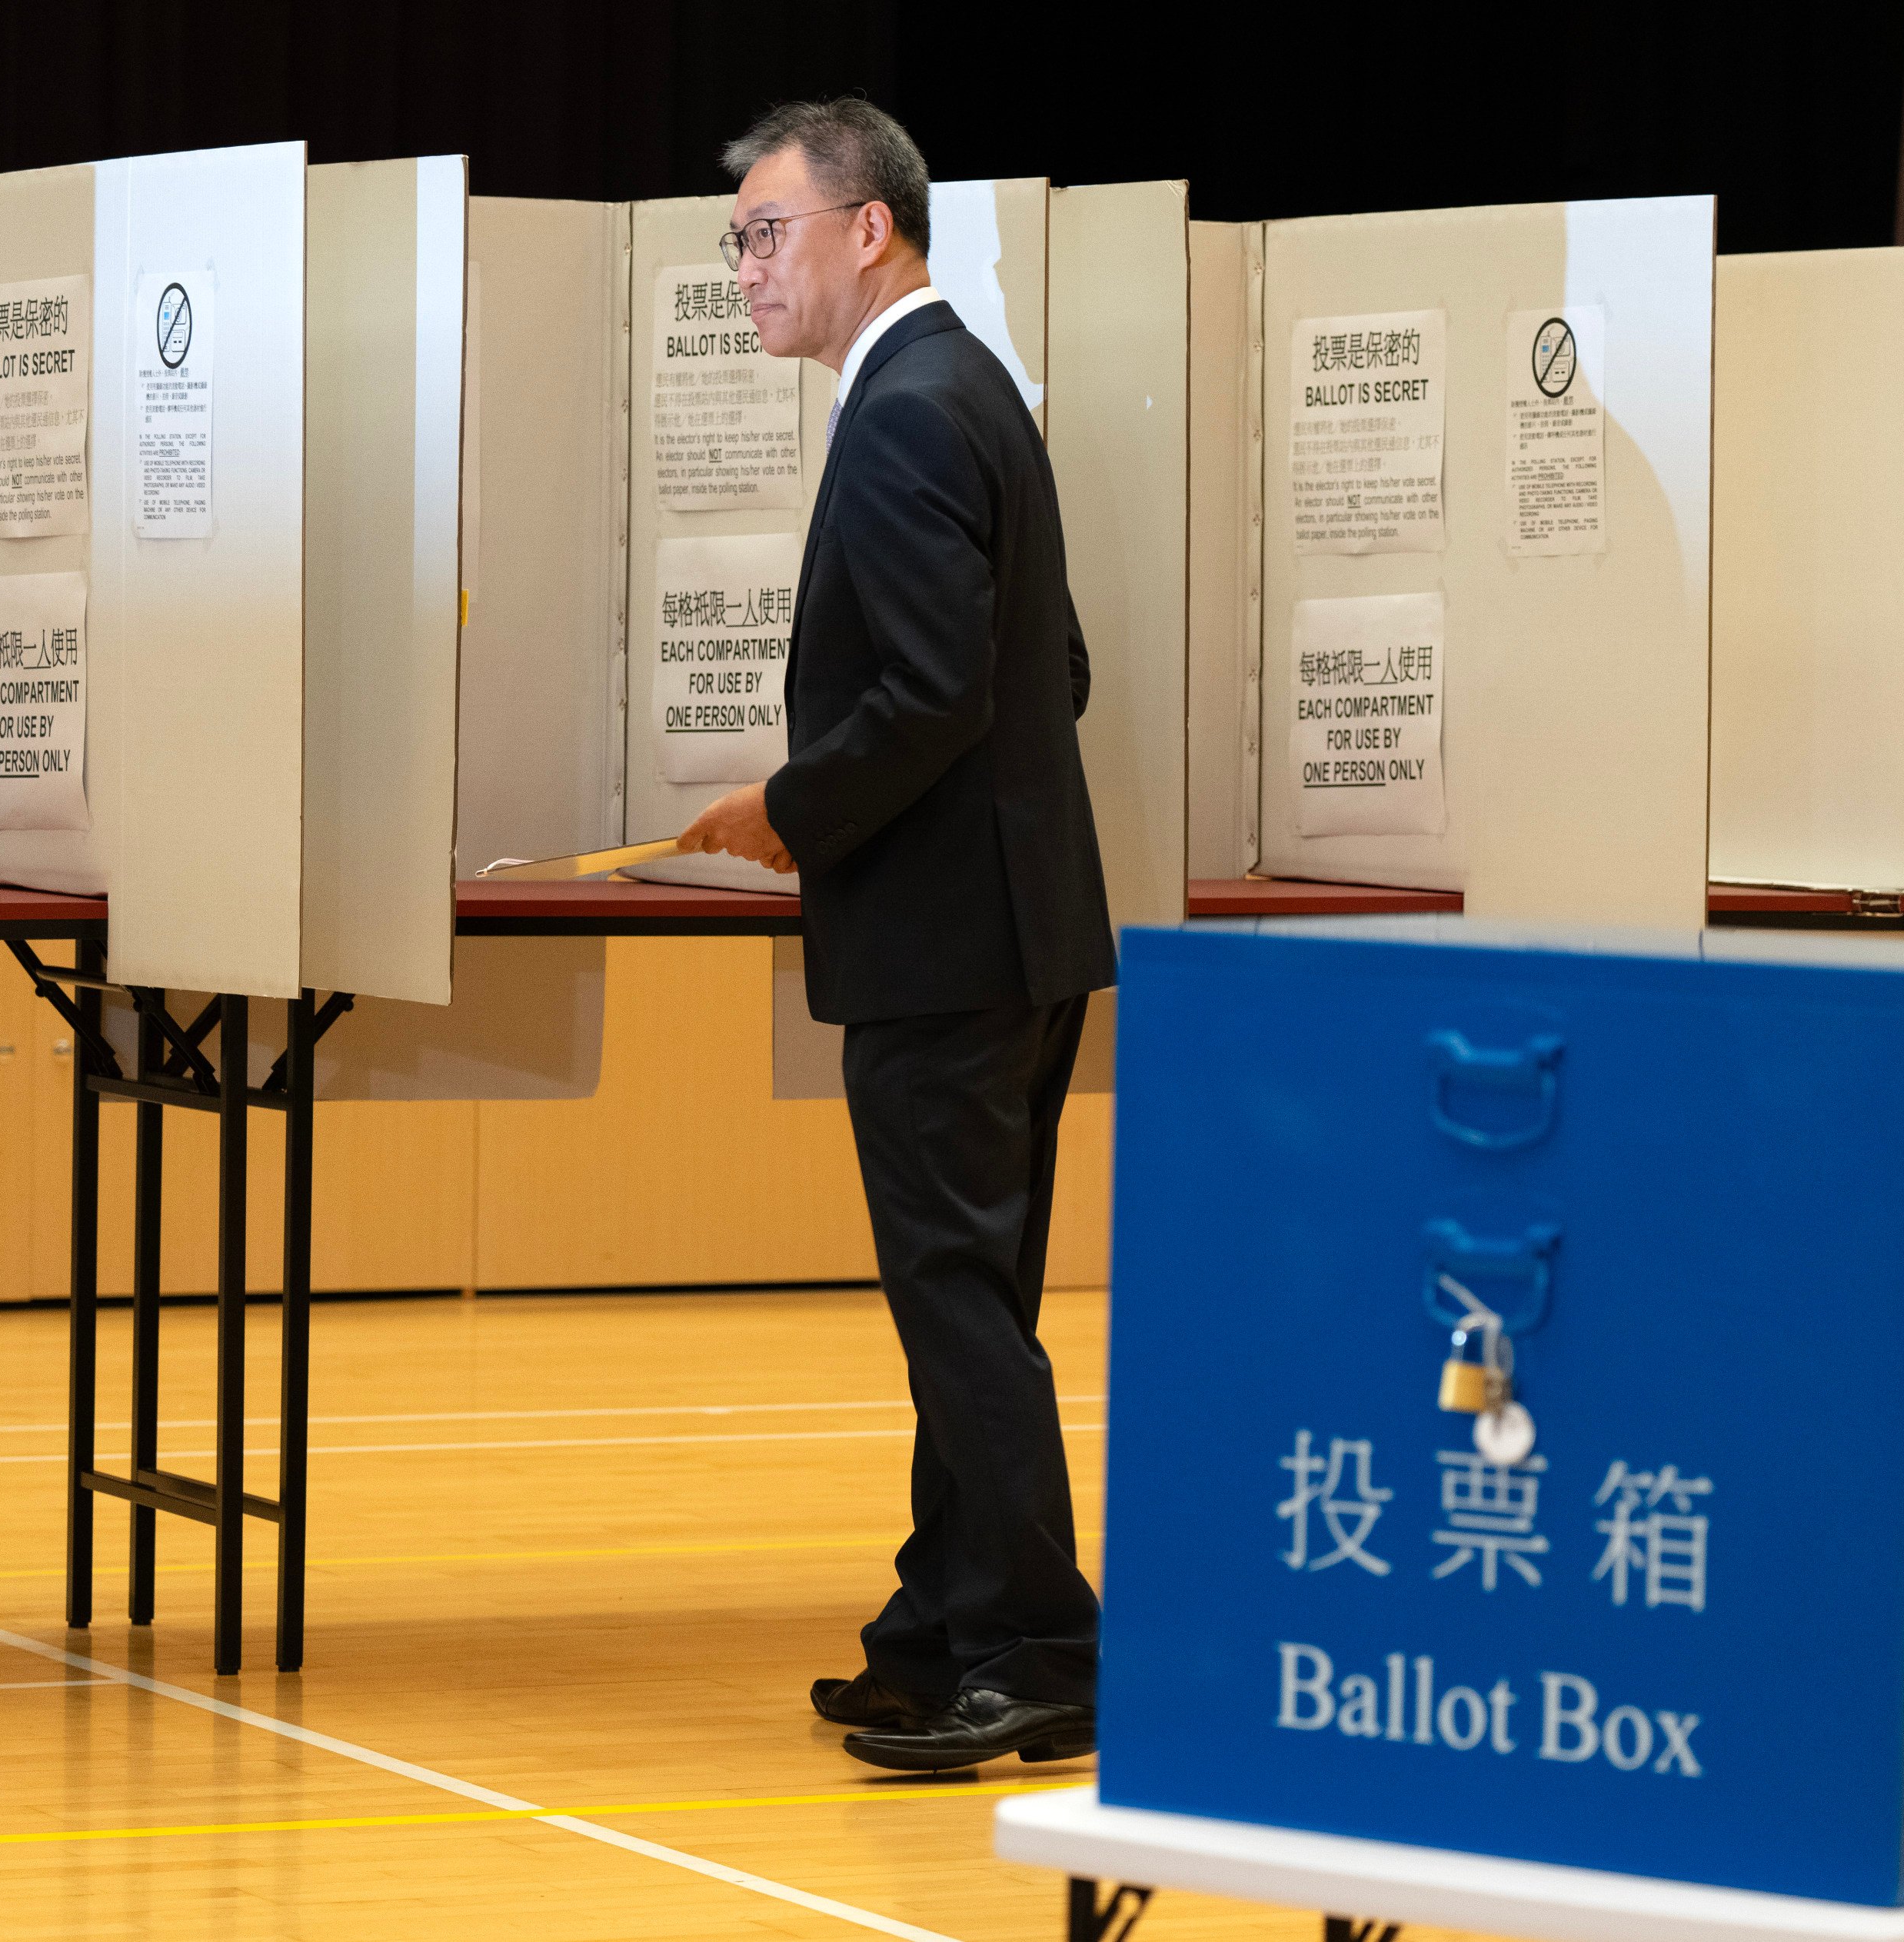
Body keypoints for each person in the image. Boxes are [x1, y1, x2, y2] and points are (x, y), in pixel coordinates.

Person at [679, 98, 1117, 1774]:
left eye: (767, 231)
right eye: (736, 239)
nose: (745, 268)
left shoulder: (909, 412)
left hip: (948, 955)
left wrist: (794, 806)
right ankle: (939, 1632)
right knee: (971, 1300)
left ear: (871, 231)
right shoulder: (964, 389)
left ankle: (1038, 1645)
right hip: (1005, 936)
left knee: (954, 1302)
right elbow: (1046, 675)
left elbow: (940, 692)